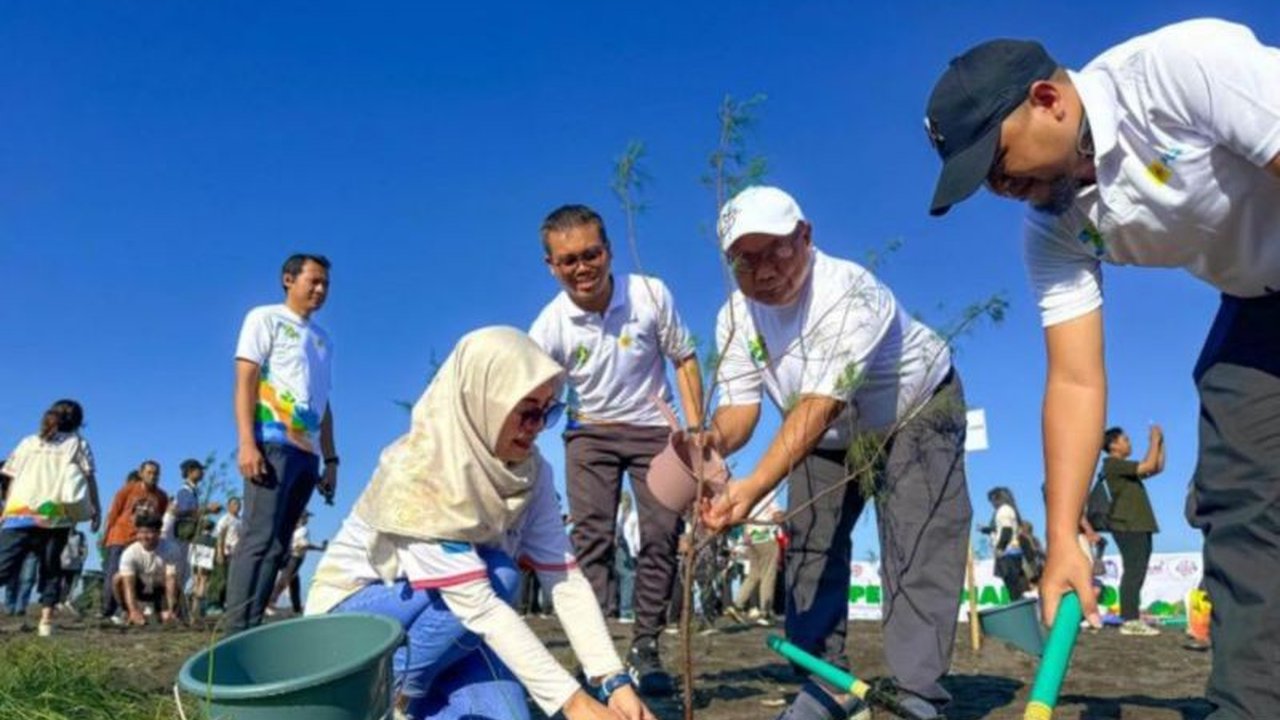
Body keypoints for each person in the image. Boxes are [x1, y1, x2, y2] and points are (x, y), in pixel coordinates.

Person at [924, 19, 1279, 718]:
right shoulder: (1054, 229)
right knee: (1238, 484)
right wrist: (1061, 539)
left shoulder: (1178, 70)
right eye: (982, 182)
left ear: (1047, 100)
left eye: (997, 162)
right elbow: (1076, 381)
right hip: (1258, 302)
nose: (998, 187)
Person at [703, 186, 971, 720]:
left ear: (805, 236)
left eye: (777, 249)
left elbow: (820, 404)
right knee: (809, 546)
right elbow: (740, 409)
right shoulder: (735, 317)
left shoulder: (848, 292)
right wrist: (708, 444)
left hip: (915, 411)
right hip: (822, 434)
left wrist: (752, 488)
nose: (764, 269)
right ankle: (823, 683)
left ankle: (917, 692)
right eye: (745, 259)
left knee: (914, 542)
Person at [306, 326, 656, 720]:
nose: (537, 426)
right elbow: (479, 604)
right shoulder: (419, 470)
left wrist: (614, 680)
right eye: (525, 411)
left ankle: (415, 691)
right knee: (501, 574)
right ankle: (388, 697)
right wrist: (573, 703)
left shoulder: (531, 473)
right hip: (353, 628)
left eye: (547, 411)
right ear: (482, 401)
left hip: (448, 629)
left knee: (506, 714)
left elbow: (563, 576)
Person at [528, 204, 704, 695]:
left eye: (591, 254)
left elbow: (685, 360)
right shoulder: (549, 326)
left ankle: (646, 645)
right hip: (590, 435)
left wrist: (694, 433)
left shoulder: (650, 294)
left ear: (608, 251)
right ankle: (598, 653)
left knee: (661, 534)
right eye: (568, 261)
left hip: (654, 431)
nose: (582, 268)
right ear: (551, 267)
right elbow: (530, 393)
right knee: (591, 540)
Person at [227, 253, 339, 632]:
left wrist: (332, 459)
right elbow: (245, 379)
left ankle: (254, 627)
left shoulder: (323, 340)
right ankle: (232, 632)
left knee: (280, 546)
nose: (321, 290)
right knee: (258, 539)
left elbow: (324, 403)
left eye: (326, 284)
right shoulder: (264, 318)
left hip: (307, 455)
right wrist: (247, 443)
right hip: (271, 443)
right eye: (314, 281)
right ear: (289, 280)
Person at [0, 400, 101, 637]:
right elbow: (88, 478)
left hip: (20, 512)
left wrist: (5, 510)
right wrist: (96, 508)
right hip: (54, 515)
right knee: (51, 568)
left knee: (3, 564)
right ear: (78, 422)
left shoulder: (29, 442)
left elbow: (11, 478)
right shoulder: (78, 444)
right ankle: (46, 621)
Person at [1100, 425, 1165, 635]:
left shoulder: (1124, 467)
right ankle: (1129, 619)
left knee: (1138, 571)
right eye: (1125, 440)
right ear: (1113, 445)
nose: (1129, 443)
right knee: (1133, 570)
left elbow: (1155, 467)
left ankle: (1132, 617)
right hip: (1127, 524)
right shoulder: (1112, 464)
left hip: (1139, 524)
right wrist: (1153, 441)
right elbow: (1147, 466)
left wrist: (1160, 443)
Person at [101, 463, 168, 623]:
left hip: (141, 540)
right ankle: (107, 611)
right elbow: (114, 512)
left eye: (156, 473)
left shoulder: (161, 496)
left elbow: (159, 518)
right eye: (149, 472)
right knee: (114, 574)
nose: (153, 476)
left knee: (134, 577)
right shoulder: (128, 490)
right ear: (141, 473)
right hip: (120, 536)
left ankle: (124, 610)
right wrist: (106, 536)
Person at [726, 493, 783, 626]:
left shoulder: (751, 496)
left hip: (751, 540)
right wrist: (783, 517)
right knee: (768, 575)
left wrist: (746, 533)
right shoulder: (770, 494)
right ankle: (765, 612)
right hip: (766, 538)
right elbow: (776, 514)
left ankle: (736, 605)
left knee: (754, 574)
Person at [115, 514, 182, 626]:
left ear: (158, 533)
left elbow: (171, 580)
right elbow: (128, 585)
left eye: (149, 532)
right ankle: (127, 611)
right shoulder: (129, 553)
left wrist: (171, 608)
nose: (144, 536)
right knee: (117, 578)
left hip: (161, 587)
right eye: (141, 532)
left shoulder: (171, 549)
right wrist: (133, 610)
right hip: (140, 587)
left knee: (167, 617)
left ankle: (169, 612)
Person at [266, 510, 325, 615]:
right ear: (301, 518)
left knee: (294, 584)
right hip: (295, 558)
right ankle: (270, 603)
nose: (307, 519)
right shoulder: (303, 530)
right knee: (284, 581)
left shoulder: (293, 530)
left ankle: (297, 609)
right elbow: (302, 545)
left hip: (291, 557)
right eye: (306, 517)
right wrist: (318, 548)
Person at [982, 487, 1027, 600]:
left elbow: (1007, 530)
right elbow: (1002, 529)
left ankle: (1019, 608)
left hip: (1007, 553)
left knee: (1013, 586)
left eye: (992, 500)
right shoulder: (1009, 510)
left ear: (997, 499)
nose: (992, 504)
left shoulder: (1004, 510)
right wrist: (987, 530)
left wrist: (1000, 548)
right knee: (1014, 586)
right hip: (1012, 551)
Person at [210, 496, 242, 613]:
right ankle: (214, 604)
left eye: (238, 504)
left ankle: (227, 603)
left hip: (236, 554)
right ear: (229, 506)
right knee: (221, 579)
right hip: (225, 553)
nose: (237, 506)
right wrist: (220, 552)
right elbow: (220, 536)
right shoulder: (225, 519)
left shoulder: (239, 520)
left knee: (232, 580)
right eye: (234, 504)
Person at [613, 490, 639, 623]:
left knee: (623, 577)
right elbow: (633, 537)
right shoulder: (628, 515)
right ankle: (626, 611)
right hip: (624, 548)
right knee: (628, 577)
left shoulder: (629, 515)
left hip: (622, 547)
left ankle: (623, 609)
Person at [58, 528, 88, 615]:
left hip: (74, 564)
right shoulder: (61, 533)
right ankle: (58, 601)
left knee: (70, 584)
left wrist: (81, 559)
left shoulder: (80, 535)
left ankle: (65, 601)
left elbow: (84, 549)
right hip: (61, 563)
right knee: (59, 582)